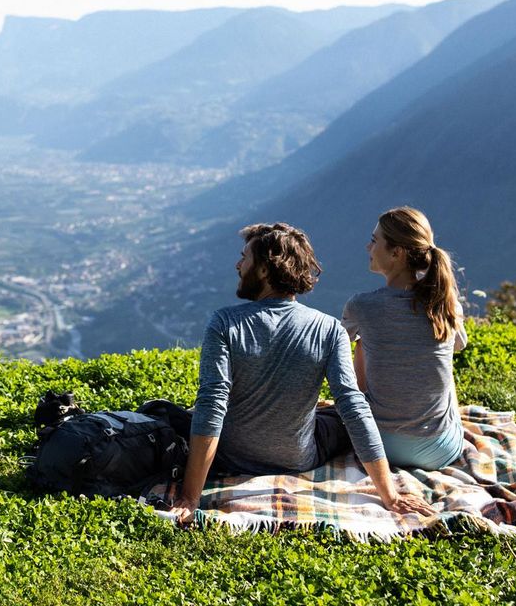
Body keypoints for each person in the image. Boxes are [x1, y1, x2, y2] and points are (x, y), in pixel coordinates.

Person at [168, 222, 434, 525]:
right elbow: (354, 407)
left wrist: (190, 497)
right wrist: (391, 495)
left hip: (232, 456)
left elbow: (212, 405)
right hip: (297, 459)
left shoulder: (225, 323)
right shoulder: (328, 328)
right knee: (339, 414)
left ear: (266, 270)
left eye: (245, 258)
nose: (238, 265)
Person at [341, 206, 467, 471]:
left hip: (376, 447)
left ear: (397, 253)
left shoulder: (362, 306)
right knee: (440, 355)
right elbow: (457, 346)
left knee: (363, 341)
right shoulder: (446, 303)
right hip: (440, 450)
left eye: (375, 241)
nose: (368, 247)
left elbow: (337, 351)